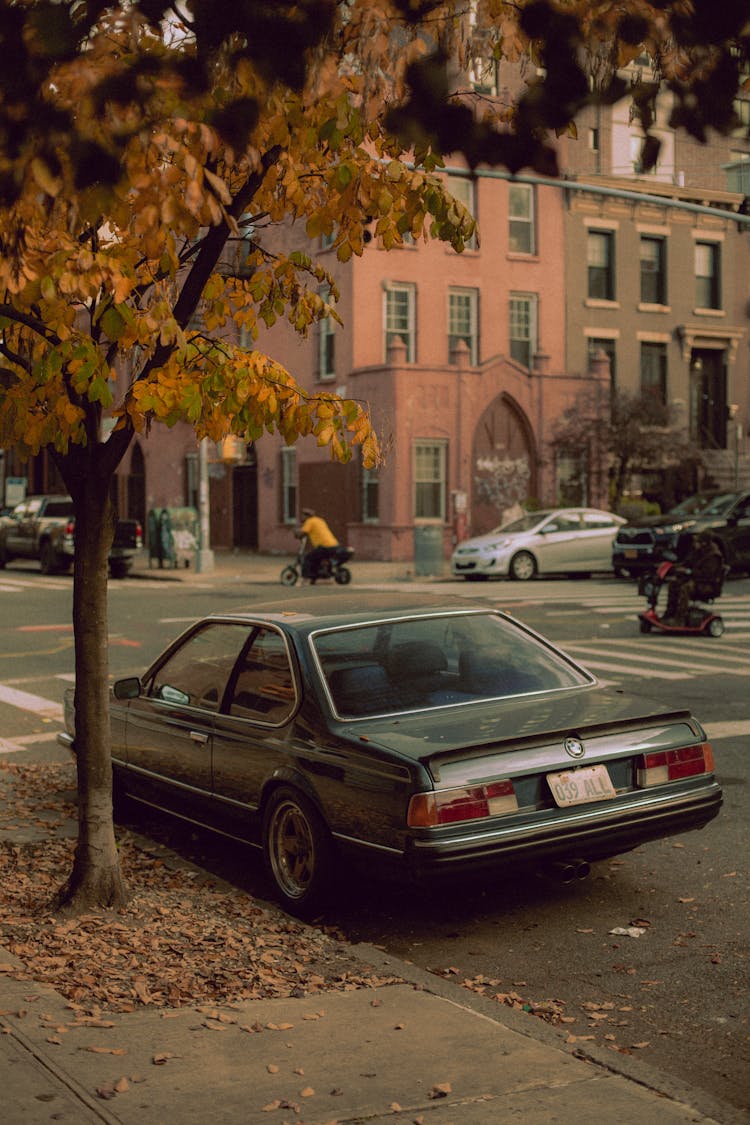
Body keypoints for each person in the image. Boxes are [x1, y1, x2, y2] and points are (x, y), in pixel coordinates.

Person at [663, 531, 724, 626]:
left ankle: (680, 619)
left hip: (707, 584)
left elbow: (707, 575)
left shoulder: (714, 556)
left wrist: (688, 572)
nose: (694, 544)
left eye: (697, 542)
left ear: (704, 543)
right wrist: (673, 567)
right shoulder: (697, 552)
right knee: (673, 584)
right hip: (695, 580)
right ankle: (669, 615)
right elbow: (687, 562)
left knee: (686, 588)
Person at [296, 507, 339, 579]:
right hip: (334, 545)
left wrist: (296, 534)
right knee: (317, 557)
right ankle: (322, 573)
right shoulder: (320, 520)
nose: (302, 517)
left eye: (303, 516)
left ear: (307, 516)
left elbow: (303, 533)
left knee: (307, 558)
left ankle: (307, 576)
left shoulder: (309, 521)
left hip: (324, 546)